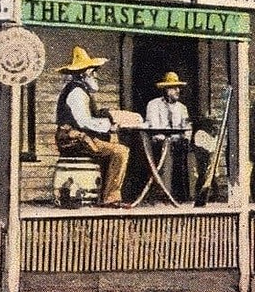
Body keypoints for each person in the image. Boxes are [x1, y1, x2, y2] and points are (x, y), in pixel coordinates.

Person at [54, 46, 130, 208]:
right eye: (93, 72)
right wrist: (109, 126)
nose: (96, 75)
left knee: (113, 144)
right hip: (74, 140)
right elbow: (84, 122)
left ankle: (106, 193)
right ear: (85, 73)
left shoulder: (81, 91)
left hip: (81, 138)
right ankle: (110, 197)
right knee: (121, 151)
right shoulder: (77, 93)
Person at [144, 71, 193, 202]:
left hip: (177, 142)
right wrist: (166, 138)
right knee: (166, 150)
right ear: (165, 89)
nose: (177, 91)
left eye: (178, 88)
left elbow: (187, 127)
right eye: (173, 88)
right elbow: (154, 127)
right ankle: (164, 194)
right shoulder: (154, 105)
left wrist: (186, 138)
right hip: (159, 141)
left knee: (184, 152)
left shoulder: (182, 108)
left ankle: (183, 196)